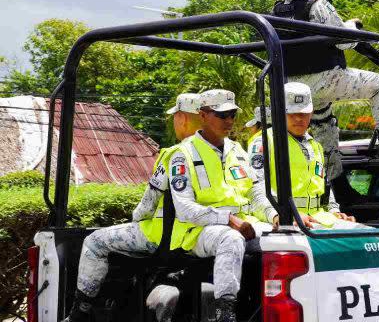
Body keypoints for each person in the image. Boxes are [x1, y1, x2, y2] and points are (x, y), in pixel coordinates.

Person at [63, 90, 272, 322]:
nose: (230, 121)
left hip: (172, 232)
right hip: (197, 229)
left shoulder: (233, 151)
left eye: (232, 114)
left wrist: (275, 216)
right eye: (223, 115)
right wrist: (229, 219)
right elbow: (184, 208)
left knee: (94, 241)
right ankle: (78, 315)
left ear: (182, 117)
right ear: (202, 115)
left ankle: (79, 313)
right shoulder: (182, 154)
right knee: (230, 238)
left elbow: (146, 206)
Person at [272, 0, 379, 186]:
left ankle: (338, 190)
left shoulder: (276, 11)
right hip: (326, 78)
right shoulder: (317, 5)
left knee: (325, 130)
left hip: (294, 89)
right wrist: (354, 28)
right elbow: (345, 41)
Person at [248, 82, 358, 229]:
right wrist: (280, 215)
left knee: (366, 237)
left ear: (311, 113)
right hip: (285, 220)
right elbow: (255, 189)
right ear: (280, 113)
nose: (299, 118)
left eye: (304, 113)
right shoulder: (264, 142)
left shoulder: (315, 145)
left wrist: (334, 210)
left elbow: (324, 186)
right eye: (292, 113)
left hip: (318, 218)